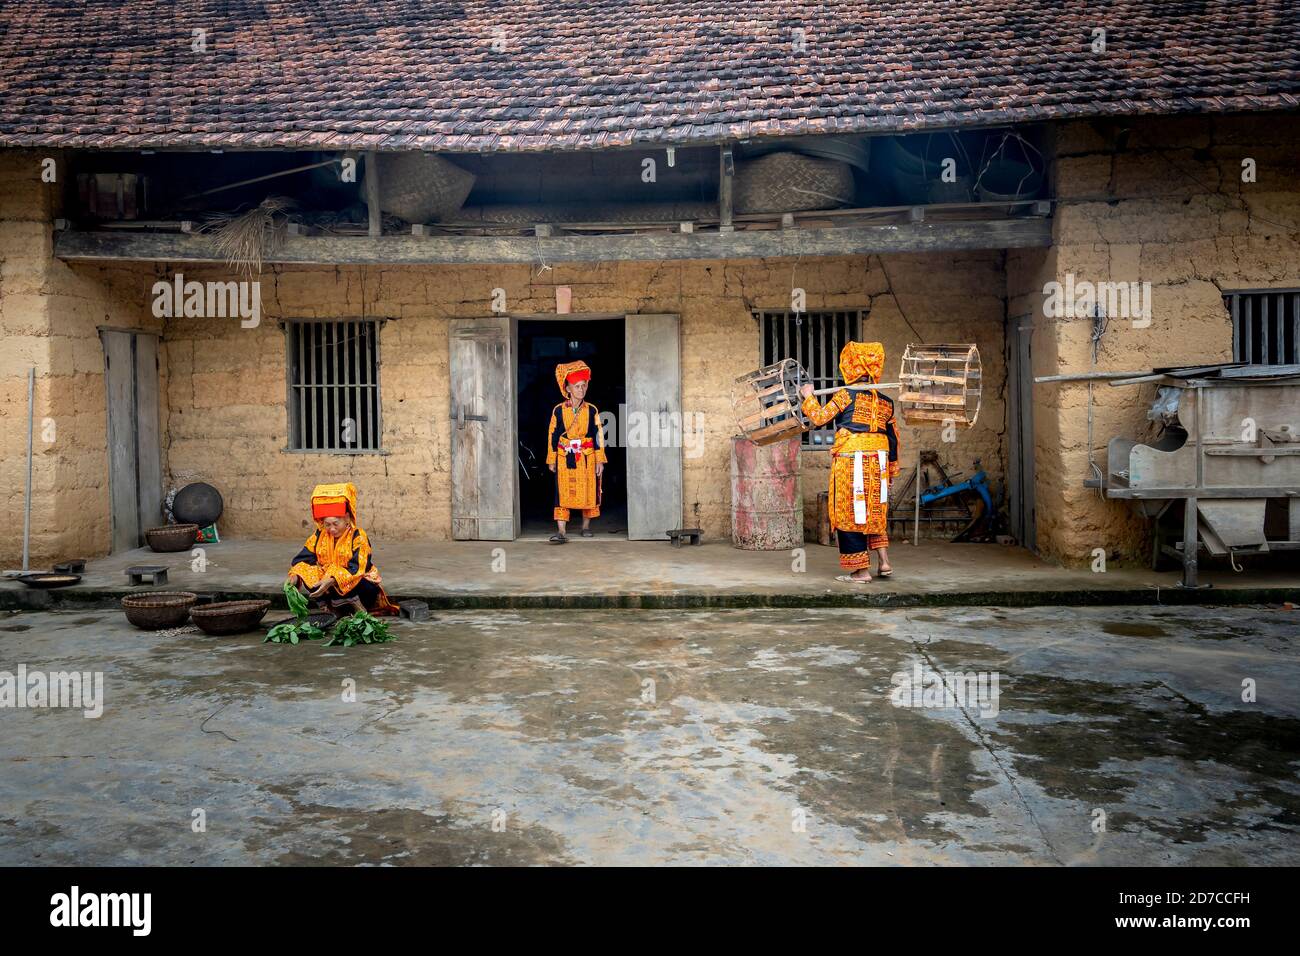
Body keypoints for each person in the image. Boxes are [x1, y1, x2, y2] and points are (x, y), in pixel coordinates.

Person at [799, 342, 900, 582]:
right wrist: (891, 473)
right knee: (874, 512)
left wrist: (808, 396)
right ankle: (884, 562)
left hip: (851, 464)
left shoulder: (845, 395)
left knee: (851, 512)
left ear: (850, 367)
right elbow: (893, 438)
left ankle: (861, 571)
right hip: (879, 466)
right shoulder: (886, 401)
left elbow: (819, 418)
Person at [287, 482, 399, 614]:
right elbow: (302, 560)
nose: (332, 529)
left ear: (346, 518)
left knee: (356, 579)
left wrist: (333, 580)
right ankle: (330, 606)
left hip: (359, 589)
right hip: (329, 589)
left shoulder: (358, 536)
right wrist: (294, 577)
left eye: (336, 523)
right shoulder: (319, 535)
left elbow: (357, 567)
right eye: (327, 524)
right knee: (305, 570)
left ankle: (350, 603)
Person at [547, 360, 607, 544]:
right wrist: (552, 458)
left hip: (586, 458)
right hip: (565, 458)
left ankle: (585, 526)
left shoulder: (592, 410)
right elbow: (552, 435)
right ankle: (561, 531)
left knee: (588, 491)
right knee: (563, 492)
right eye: (577, 386)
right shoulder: (558, 410)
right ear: (568, 388)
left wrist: (599, 460)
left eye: (584, 386)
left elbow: (598, 437)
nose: (581, 390)